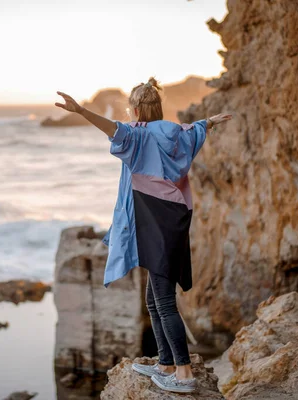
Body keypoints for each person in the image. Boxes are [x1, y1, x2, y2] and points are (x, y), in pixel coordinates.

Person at [55, 78, 232, 394]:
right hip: (173, 219)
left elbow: (112, 129)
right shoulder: (175, 131)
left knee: (164, 301)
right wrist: (210, 122)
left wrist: (81, 111)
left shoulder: (136, 135)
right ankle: (164, 363)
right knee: (154, 298)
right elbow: (195, 130)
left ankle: (184, 374)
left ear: (135, 110)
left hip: (154, 221)